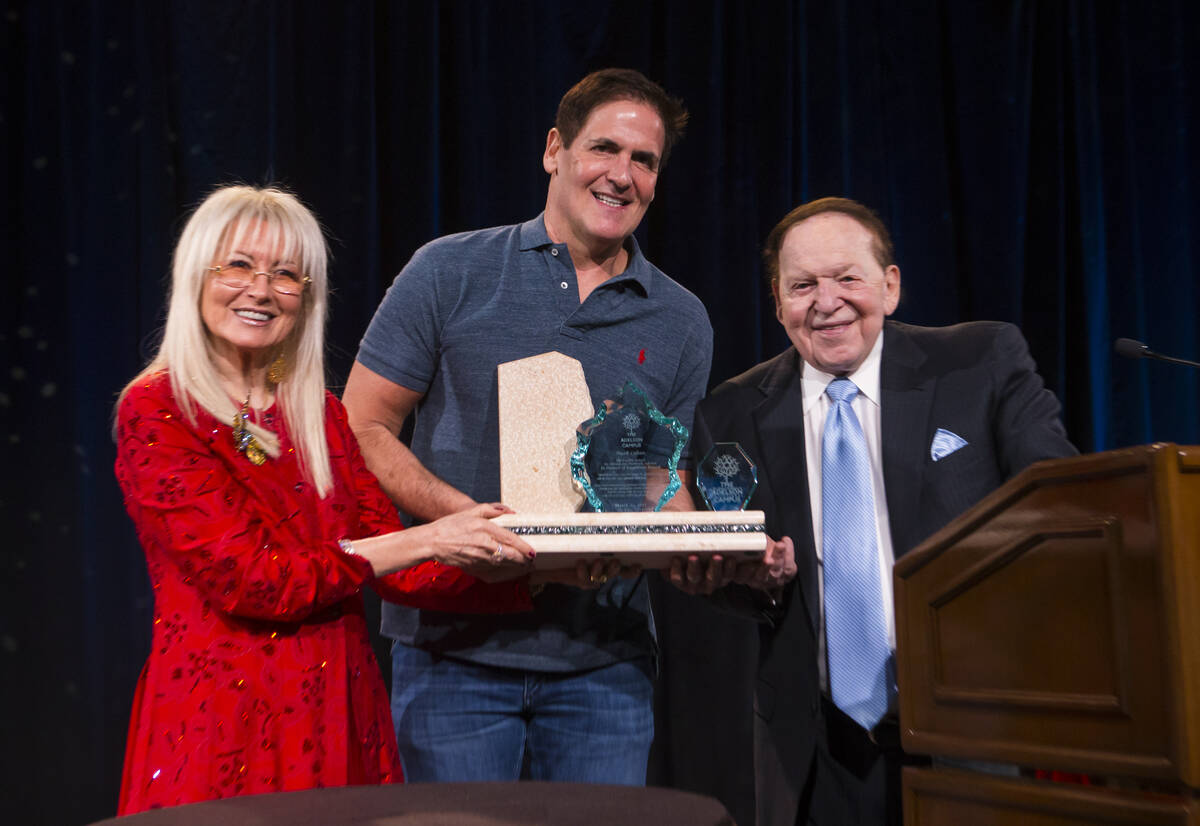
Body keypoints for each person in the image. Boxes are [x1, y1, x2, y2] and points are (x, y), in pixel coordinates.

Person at [342, 68, 716, 785]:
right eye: (603, 148)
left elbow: (660, 479)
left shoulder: (681, 318)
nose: (622, 174)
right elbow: (361, 426)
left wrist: (697, 545)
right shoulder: (447, 272)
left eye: (644, 160)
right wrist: (467, 524)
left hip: (604, 668)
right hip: (450, 655)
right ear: (555, 150)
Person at [113, 185, 538, 815]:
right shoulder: (155, 412)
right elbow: (257, 582)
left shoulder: (320, 414)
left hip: (338, 707)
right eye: (237, 265)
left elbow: (401, 567)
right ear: (195, 275)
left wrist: (538, 566)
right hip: (222, 721)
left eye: (287, 274)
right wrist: (431, 533)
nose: (261, 289)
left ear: (306, 298)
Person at [686, 197, 1078, 826]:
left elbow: (1059, 501)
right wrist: (753, 578)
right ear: (779, 301)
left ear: (890, 287)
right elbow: (738, 587)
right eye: (803, 285)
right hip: (812, 752)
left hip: (972, 726)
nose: (826, 300)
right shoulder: (729, 414)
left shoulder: (980, 362)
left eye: (847, 278)